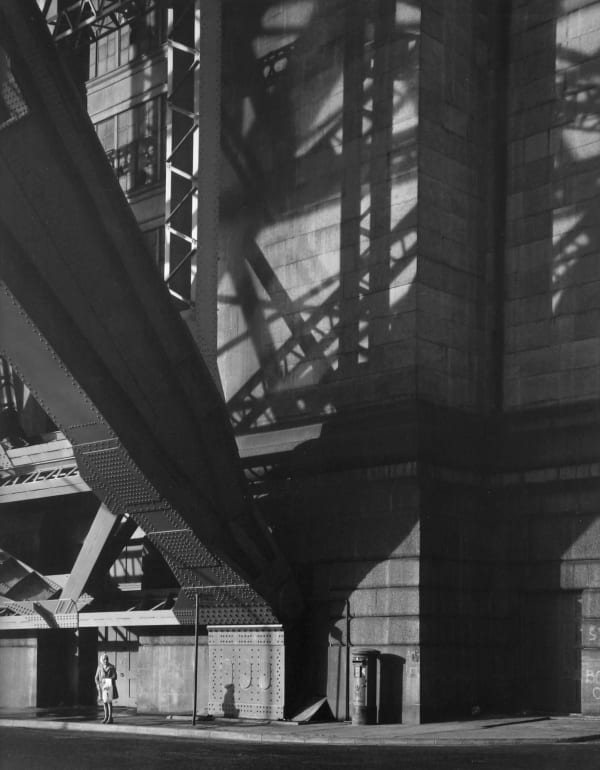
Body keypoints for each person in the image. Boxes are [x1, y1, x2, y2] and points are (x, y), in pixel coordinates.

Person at [95, 654, 118, 724]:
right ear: (102, 660)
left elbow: (115, 677)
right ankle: (105, 717)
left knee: (109, 702)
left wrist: (108, 679)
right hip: (102, 687)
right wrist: (98, 684)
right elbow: (96, 678)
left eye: (107, 659)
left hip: (109, 686)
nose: (106, 660)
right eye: (104, 659)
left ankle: (110, 718)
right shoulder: (99, 667)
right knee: (104, 702)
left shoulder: (112, 667)